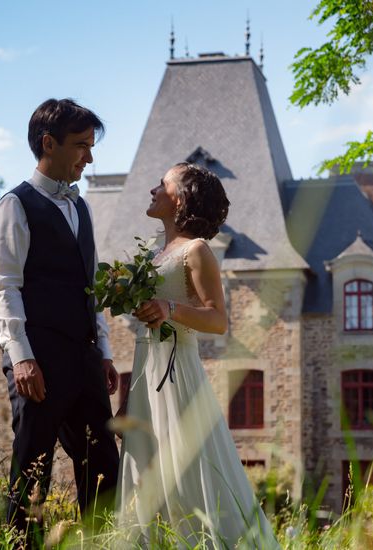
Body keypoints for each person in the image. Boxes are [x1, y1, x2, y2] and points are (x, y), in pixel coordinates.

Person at [116, 163, 281, 548]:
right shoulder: (159, 251)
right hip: (146, 366)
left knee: (186, 462)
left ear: (180, 198)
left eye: (162, 184)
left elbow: (218, 320)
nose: (152, 189)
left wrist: (168, 310)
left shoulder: (197, 250)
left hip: (175, 371)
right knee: (148, 459)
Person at [0, 98, 120, 545]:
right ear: (49, 143)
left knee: (103, 467)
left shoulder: (81, 208)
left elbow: (90, 287)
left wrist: (103, 352)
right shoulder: (14, 206)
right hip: (37, 361)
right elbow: (5, 288)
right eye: (81, 146)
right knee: (31, 472)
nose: (90, 156)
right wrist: (21, 358)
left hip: (83, 360)